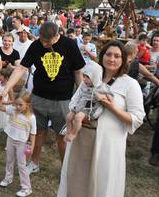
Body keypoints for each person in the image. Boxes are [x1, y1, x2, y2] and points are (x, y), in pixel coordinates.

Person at [58, 40, 145, 197]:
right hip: (82, 138)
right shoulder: (90, 79)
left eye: (117, 56)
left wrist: (112, 108)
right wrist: (78, 113)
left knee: (102, 183)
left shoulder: (130, 84)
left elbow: (137, 118)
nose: (112, 59)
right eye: (108, 54)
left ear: (123, 59)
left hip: (107, 143)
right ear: (102, 56)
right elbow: (74, 100)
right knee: (77, 178)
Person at [1, 22, 85, 174]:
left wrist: (81, 98)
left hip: (63, 100)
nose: (44, 44)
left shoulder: (69, 45)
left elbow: (78, 72)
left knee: (62, 136)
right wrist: (7, 88)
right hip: (38, 97)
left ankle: (65, 169)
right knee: (37, 132)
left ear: (57, 35)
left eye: (48, 42)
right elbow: (21, 68)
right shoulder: (36, 45)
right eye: (42, 40)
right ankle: (34, 162)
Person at [0, 93, 36, 197]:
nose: (18, 107)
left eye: (20, 105)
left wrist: (31, 146)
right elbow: (0, 107)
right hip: (10, 139)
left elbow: (33, 133)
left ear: (27, 105)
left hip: (22, 143)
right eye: (16, 104)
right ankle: (8, 178)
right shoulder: (12, 110)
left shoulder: (31, 118)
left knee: (21, 165)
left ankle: (27, 188)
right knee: (9, 160)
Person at [64, 61, 113, 142]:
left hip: (89, 108)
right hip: (80, 105)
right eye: (84, 76)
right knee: (69, 117)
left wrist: (102, 97)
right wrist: (74, 105)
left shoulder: (101, 87)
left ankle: (74, 133)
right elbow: (78, 95)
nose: (84, 79)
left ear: (95, 77)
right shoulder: (83, 85)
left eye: (88, 77)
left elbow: (111, 97)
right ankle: (68, 132)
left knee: (78, 117)